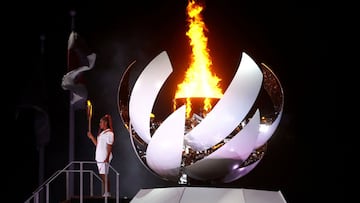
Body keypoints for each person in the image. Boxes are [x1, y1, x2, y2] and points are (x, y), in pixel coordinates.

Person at [87, 114, 114, 197]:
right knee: (102, 176)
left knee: (105, 175)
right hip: (99, 157)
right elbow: (97, 144)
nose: (100, 124)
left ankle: (107, 193)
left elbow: (110, 146)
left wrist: (106, 158)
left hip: (104, 157)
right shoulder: (102, 133)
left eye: (101, 122)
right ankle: (105, 192)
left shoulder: (109, 133)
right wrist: (91, 137)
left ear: (105, 123)